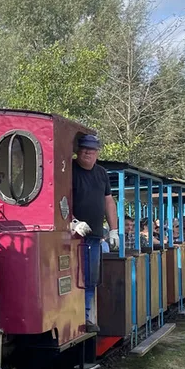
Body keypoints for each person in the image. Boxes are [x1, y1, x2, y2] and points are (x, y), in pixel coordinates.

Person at [70, 134, 119, 333]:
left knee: (90, 278)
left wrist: (114, 229)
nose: (87, 153)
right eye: (83, 149)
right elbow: (60, 196)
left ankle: (87, 316)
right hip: (71, 235)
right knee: (73, 278)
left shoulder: (101, 173)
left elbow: (108, 201)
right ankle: (76, 316)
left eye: (91, 150)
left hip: (94, 235)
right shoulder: (69, 170)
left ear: (97, 152)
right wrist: (72, 221)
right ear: (77, 151)